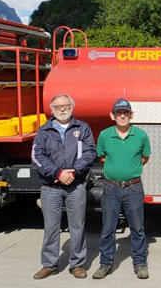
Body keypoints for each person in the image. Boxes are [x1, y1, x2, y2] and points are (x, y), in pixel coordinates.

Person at [31, 94, 97, 280]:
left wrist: (73, 172)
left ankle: (77, 264)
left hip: (75, 185)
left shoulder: (82, 128)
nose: (62, 109)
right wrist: (58, 174)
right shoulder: (44, 130)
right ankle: (49, 264)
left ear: (72, 107)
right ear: (52, 109)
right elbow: (37, 157)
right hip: (50, 187)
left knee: (77, 226)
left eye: (65, 105)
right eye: (58, 106)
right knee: (51, 227)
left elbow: (90, 152)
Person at [92, 98, 151, 280]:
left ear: (131, 115)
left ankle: (140, 263)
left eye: (126, 112)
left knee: (137, 228)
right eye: (119, 113)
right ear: (112, 115)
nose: (122, 116)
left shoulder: (141, 135)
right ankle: (106, 264)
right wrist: (117, 171)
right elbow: (101, 157)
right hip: (111, 188)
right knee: (108, 228)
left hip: (133, 188)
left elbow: (145, 157)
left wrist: (128, 171)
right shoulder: (104, 135)